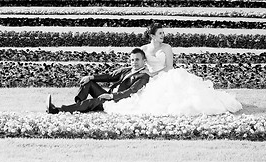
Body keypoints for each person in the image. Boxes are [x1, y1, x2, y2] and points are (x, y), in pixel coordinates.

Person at [103, 23, 243, 116]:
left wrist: (152, 73)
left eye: (163, 33)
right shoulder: (144, 49)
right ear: (152, 36)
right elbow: (139, 62)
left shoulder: (167, 47)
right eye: (160, 33)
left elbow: (169, 67)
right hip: (149, 77)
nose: (163, 36)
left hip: (165, 75)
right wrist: (140, 72)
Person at [46, 48, 150, 114]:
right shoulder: (127, 70)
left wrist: (111, 96)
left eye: (137, 60)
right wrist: (91, 77)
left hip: (117, 101)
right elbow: (110, 76)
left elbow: (132, 91)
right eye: (132, 60)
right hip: (108, 95)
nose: (134, 62)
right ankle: (79, 106)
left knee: (91, 102)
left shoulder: (143, 76)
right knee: (88, 83)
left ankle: (57, 110)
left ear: (144, 61)